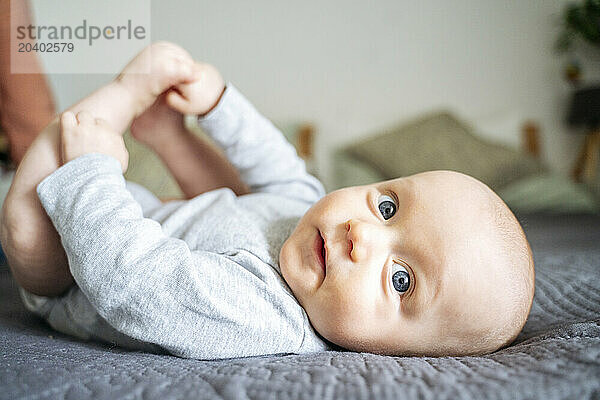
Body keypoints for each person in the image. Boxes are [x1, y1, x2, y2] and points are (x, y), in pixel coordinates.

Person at [0, 42, 535, 359]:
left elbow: (131, 285)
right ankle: (166, 133)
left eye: (402, 279)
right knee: (251, 193)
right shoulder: (317, 216)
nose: (362, 234)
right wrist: (217, 104)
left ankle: (123, 96)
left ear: (395, 353)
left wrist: (91, 170)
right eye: (388, 207)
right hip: (142, 214)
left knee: (29, 213)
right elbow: (277, 162)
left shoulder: (266, 315)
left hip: (72, 269)